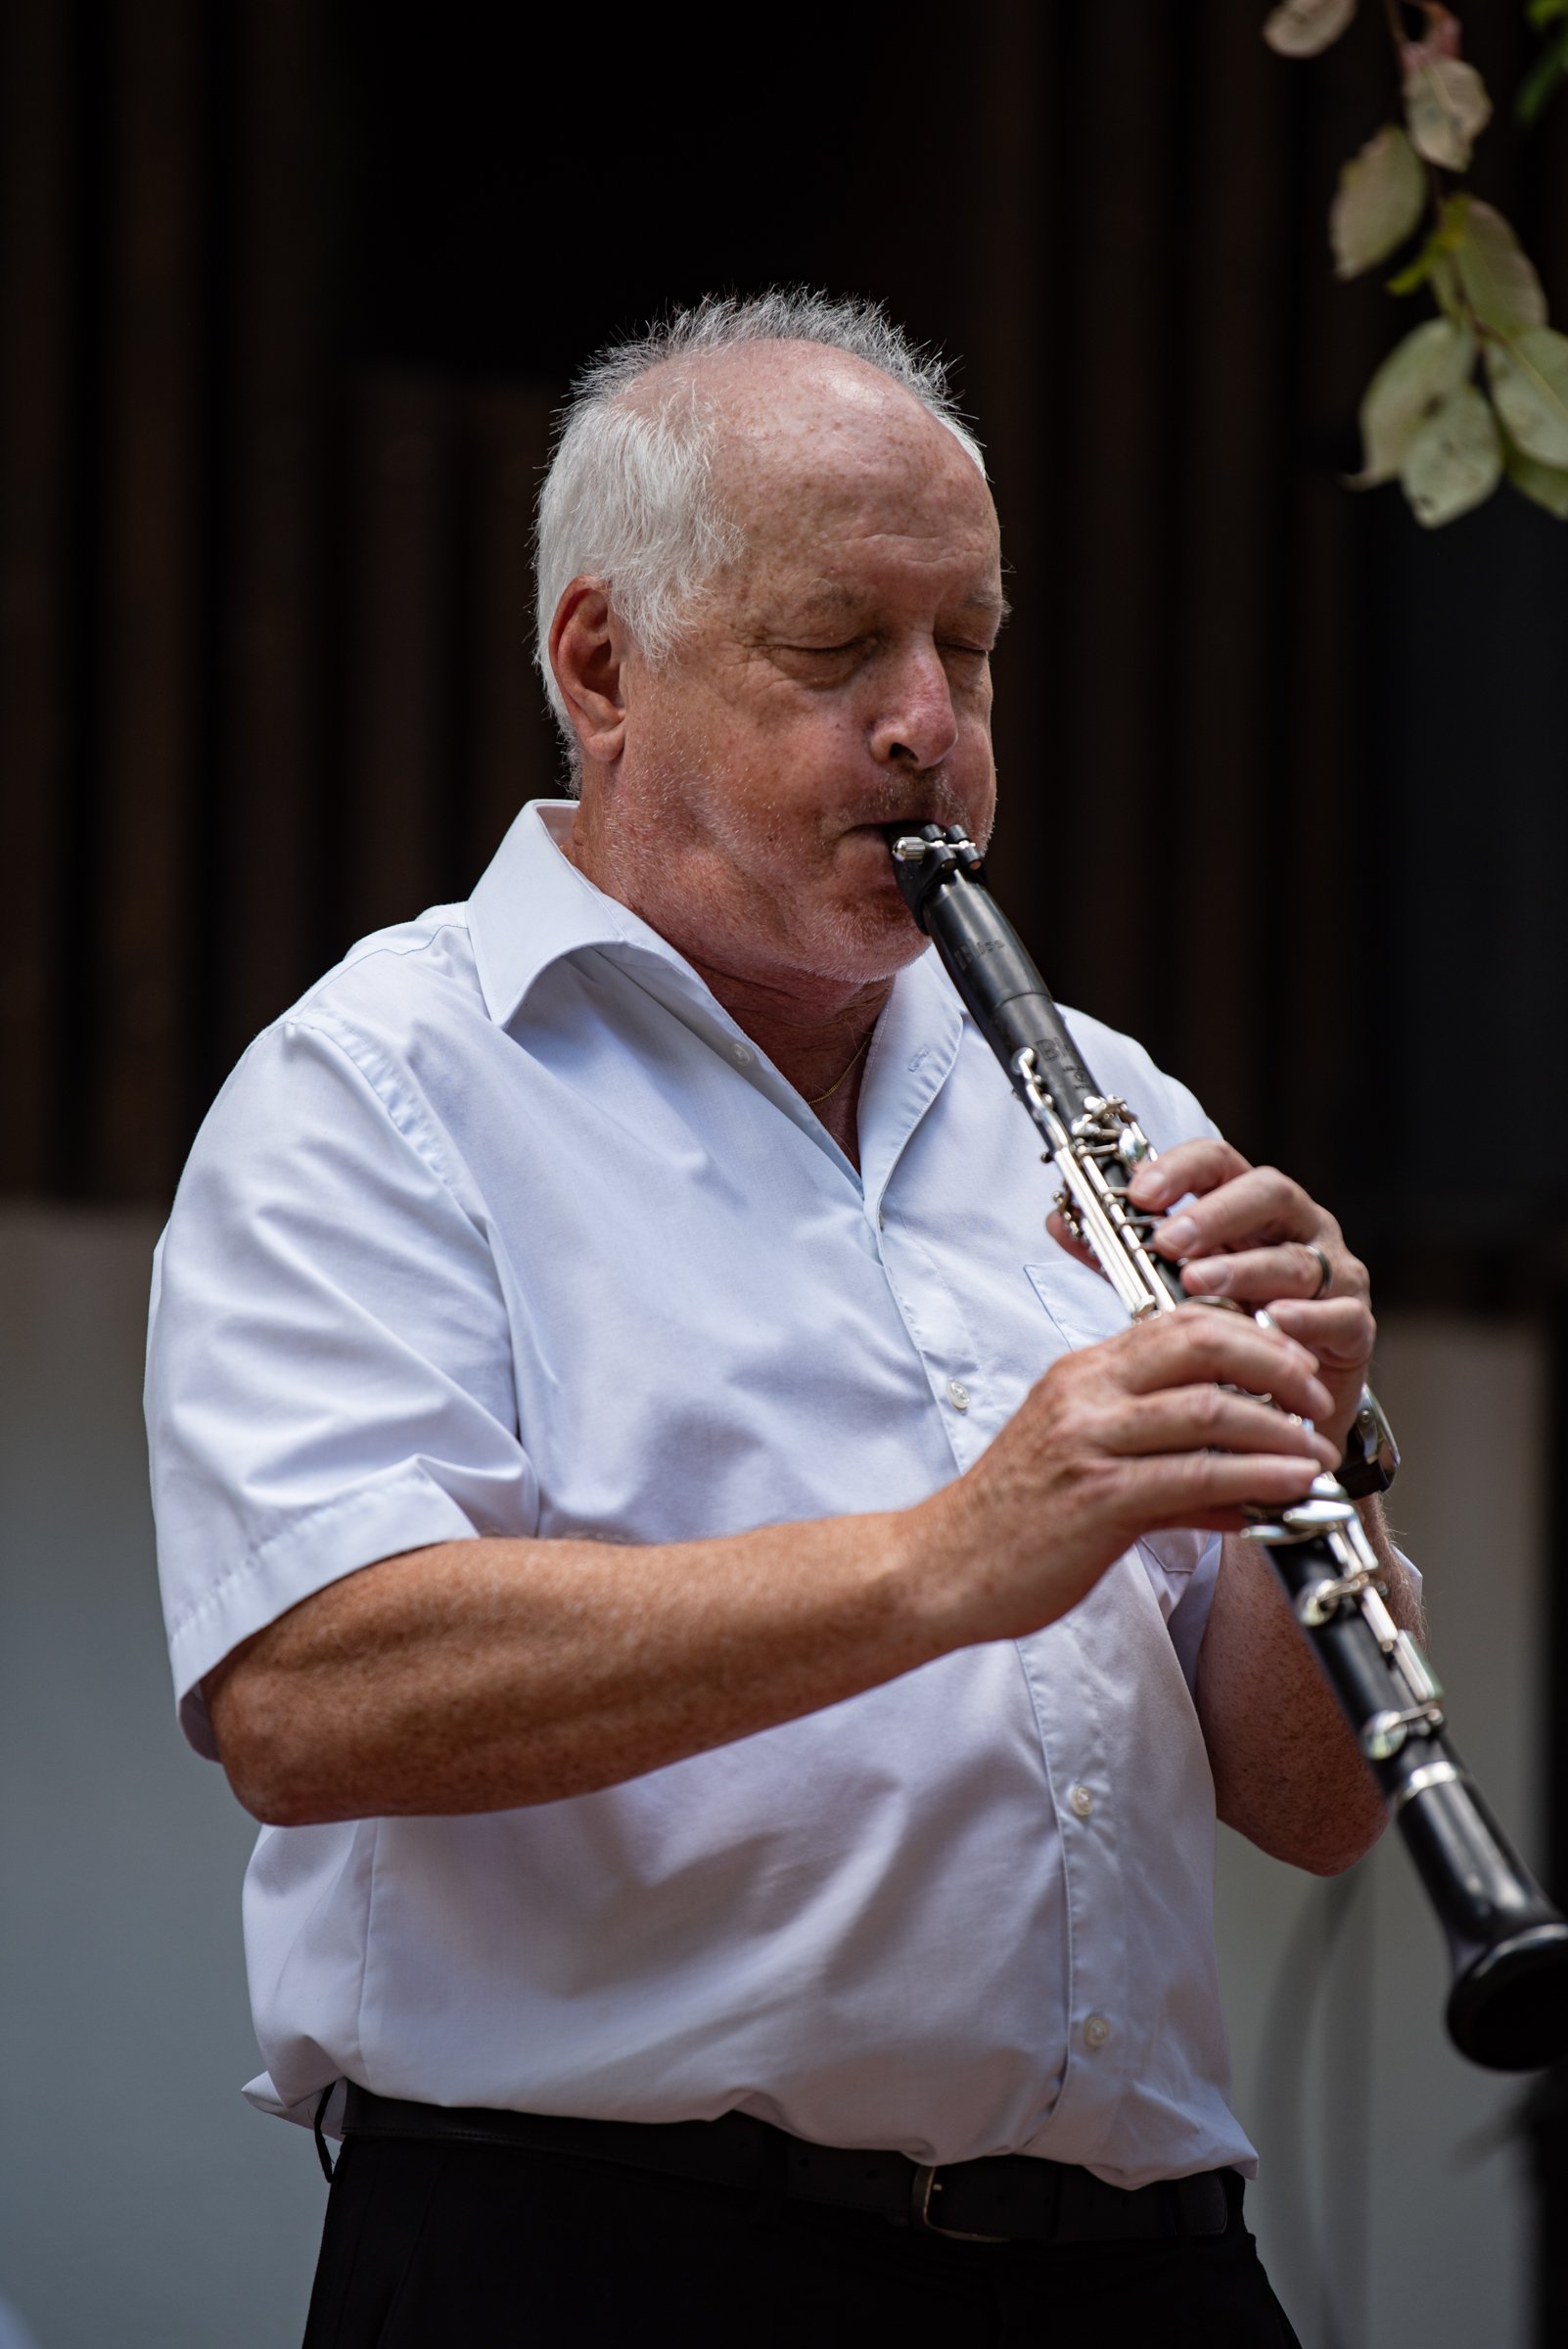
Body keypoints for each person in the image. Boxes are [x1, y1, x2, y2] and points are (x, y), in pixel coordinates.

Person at [146, 293, 1418, 2348]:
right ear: (601, 665)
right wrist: (946, 1558)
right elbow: (310, 1702)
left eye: (971, 648)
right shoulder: (384, 1083)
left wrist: (1328, 1451)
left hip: (1148, 2267)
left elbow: (1316, 1802)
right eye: (837, 651)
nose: (930, 722)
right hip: (601, 2255)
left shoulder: (1111, 1099)